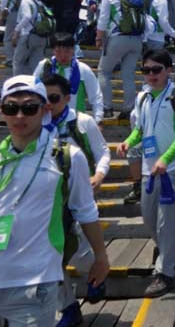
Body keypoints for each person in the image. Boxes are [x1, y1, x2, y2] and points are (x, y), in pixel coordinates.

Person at [0, 75, 109, 326]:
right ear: (2, 112)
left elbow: (85, 212)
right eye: (12, 108)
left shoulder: (65, 158)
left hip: (36, 281)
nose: (20, 115)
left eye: (29, 108)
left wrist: (101, 257)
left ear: (44, 111)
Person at [115, 49, 175, 297]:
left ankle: (165, 272)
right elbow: (140, 130)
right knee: (149, 218)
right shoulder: (143, 98)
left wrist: (166, 159)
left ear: (168, 70)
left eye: (156, 69)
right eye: (146, 70)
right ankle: (173, 251)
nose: (151, 75)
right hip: (152, 169)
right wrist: (128, 142)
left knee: (165, 219)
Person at [41, 74, 110, 325]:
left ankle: (97, 275)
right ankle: (68, 306)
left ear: (67, 98)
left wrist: (99, 175)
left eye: (54, 98)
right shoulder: (35, 124)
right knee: (50, 256)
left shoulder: (83, 123)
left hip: (78, 196)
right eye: (43, 98)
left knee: (80, 252)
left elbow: (103, 152)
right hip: (48, 202)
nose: (48, 104)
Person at [96, 0, 144, 119]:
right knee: (128, 75)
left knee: (104, 71)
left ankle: (107, 107)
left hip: (117, 38)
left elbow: (103, 19)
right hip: (136, 40)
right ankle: (128, 109)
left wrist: (99, 38)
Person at [33, 32, 103, 123]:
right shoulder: (44, 66)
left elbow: (96, 96)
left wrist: (98, 120)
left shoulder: (83, 69)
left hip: (75, 121)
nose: (63, 55)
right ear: (53, 50)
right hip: (48, 119)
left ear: (73, 49)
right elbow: (33, 90)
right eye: (58, 51)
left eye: (67, 51)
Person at [12, 0, 53, 75]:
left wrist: (16, 31)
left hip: (28, 36)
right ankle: (34, 86)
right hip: (42, 37)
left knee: (18, 62)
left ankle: (18, 85)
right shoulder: (41, 3)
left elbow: (27, 16)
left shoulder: (26, 1)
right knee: (36, 65)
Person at [0, 0, 21, 67]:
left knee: (8, 37)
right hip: (22, 12)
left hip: (12, 12)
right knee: (19, 36)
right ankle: (19, 58)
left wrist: (2, 13)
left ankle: (10, 59)